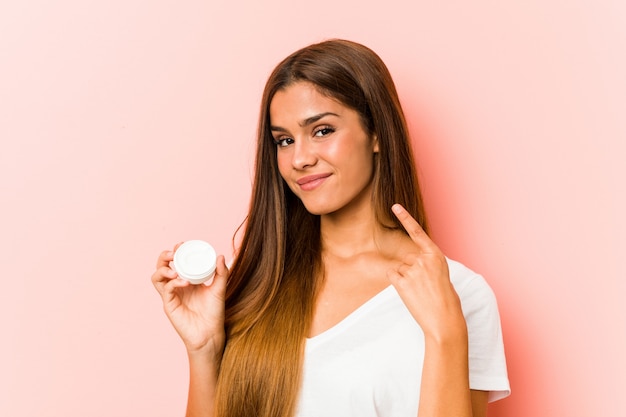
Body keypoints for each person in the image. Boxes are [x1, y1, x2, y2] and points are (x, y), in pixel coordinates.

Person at [152, 39, 510, 417]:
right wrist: (204, 351)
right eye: (285, 141)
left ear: (376, 133)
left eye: (322, 130)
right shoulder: (265, 285)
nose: (300, 159)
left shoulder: (459, 293)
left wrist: (446, 335)